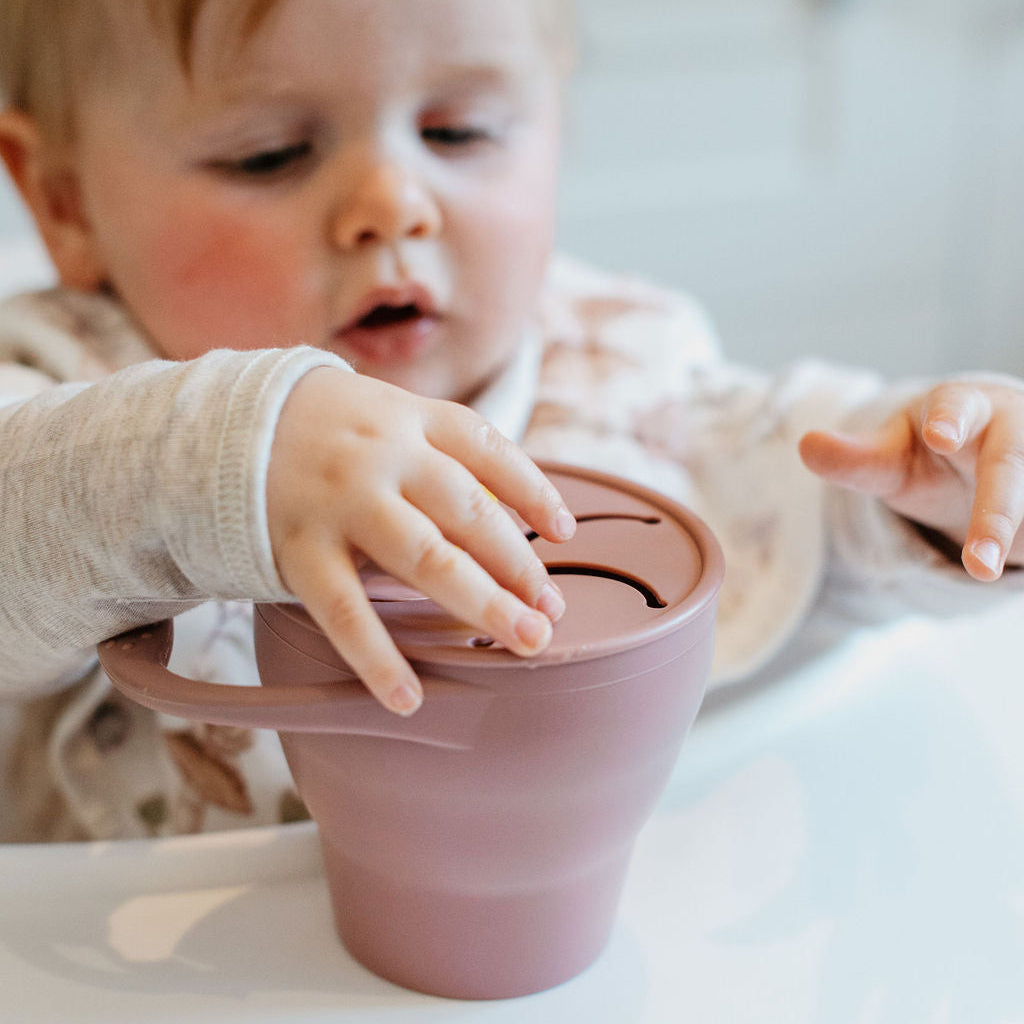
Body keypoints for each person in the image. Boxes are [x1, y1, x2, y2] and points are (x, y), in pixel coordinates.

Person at [0, 0, 1021, 842]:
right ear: (64, 202)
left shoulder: (618, 361)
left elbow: (786, 509)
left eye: (459, 132)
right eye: (270, 154)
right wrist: (217, 457)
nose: (393, 203)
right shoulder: (55, 384)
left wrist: (937, 495)